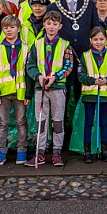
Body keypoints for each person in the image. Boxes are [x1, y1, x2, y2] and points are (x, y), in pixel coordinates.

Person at [25, 11, 74, 167]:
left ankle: (57, 152)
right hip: (41, 88)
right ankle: (40, 152)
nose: (51, 27)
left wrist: (56, 77)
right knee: (41, 121)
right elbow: (30, 65)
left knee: (57, 121)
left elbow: (69, 66)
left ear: (59, 26)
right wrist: (38, 76)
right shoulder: (37, 44)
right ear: (44, 25)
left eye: (55, 24)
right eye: (48, 23)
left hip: (57, 87)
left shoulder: (65, 45)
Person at [47, 0, 100, 114]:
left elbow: (96, 29)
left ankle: (81, 133)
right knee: (62, 101)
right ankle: (62, 134)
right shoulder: (53, 7)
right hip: (62, 60)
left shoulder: (89, 5)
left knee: (82, 97)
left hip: (84, 59)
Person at [0, 16, 31, 165]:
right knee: (3, 123)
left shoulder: (26, 48)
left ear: (18, 29)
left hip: (21, 92)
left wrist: (29, 93)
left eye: (12, 27)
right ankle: (1, 151)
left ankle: (22, 150)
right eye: (6, 28)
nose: (9, 30)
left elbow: (28, 72)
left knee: (21, 122)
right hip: (3, 92)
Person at [77, 27, 107, 163]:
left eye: (101, 39)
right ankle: (87, 151)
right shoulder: (85, 56)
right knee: (89, 122)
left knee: (103, 122)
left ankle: (104, 150)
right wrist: (93, 81)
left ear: (106, 40)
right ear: (90, 40)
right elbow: (81, 75)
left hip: (104, 95)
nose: (98, 42)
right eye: (95, 39)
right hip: (90, 94)